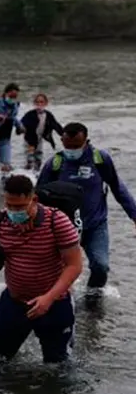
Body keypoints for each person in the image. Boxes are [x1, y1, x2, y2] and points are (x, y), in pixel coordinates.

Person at [0, 175, 83, 363]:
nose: (14, 212)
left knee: (57, 366)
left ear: (34, 200)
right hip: (15, 301)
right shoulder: (0, 221)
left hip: (54, 304)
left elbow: (75, 266)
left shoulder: (58, 222)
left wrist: (48, 299)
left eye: (20, 207)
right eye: (9, 205)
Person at [37, 122, 136, 297]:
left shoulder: (100, 159)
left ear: (86, 141)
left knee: (101, 266)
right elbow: (38, 196)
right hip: (62, 227)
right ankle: (62, 300)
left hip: (94, 225)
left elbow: (117, 187)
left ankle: (93, 300)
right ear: (62, 140)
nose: (71, 149)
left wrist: (134, 215)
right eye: (68, 145)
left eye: (76, 146)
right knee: (56, 272)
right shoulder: (55, 163)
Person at [20, 93, 64, 172]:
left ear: (46, 103)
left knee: (39, 160)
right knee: (30, 160)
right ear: (34, 103)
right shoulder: (30, 114)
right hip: (29, 140)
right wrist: (20, 129)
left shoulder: (48, 115)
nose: (39, 104)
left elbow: (56, 125)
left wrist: (63, 134)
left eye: (41, 102)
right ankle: (25, 174)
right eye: (37, 102)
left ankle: (36, 175)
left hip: (39, 139)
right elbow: (21, 124)